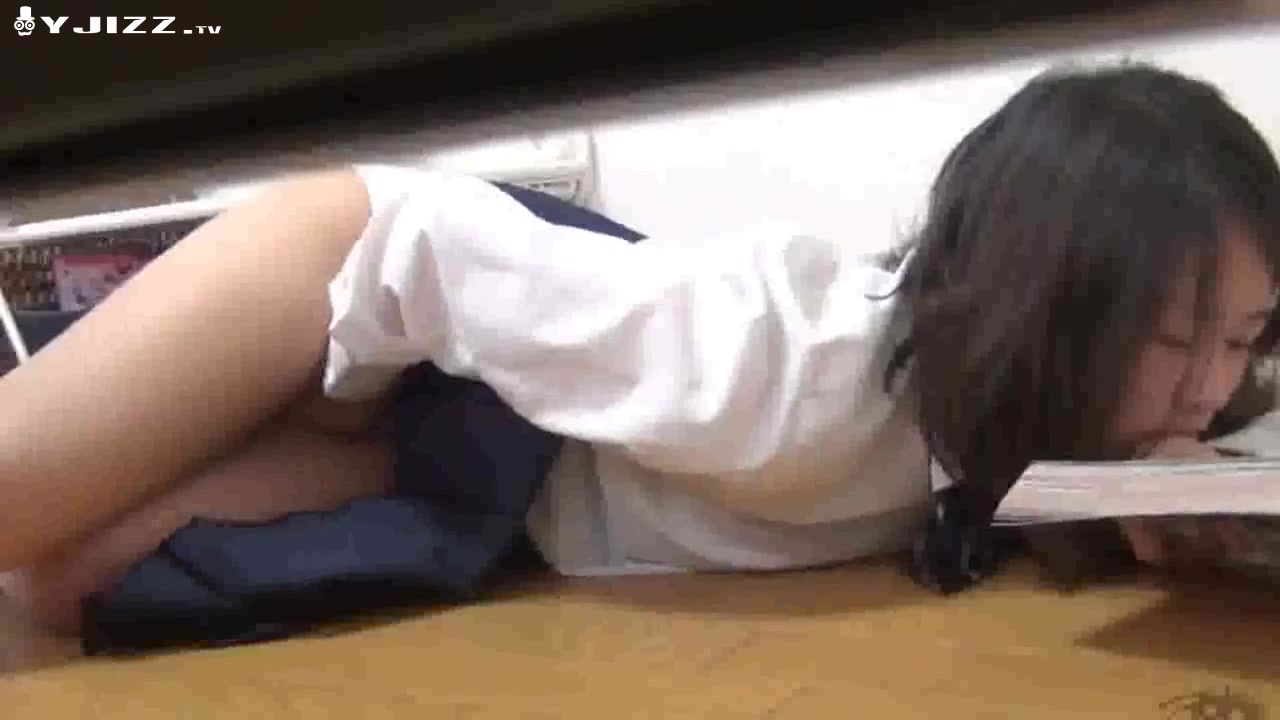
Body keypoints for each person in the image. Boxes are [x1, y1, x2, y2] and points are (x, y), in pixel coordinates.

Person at [1, 60, 1278, 639]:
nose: (1211, 385)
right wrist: (336, 403)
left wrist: (1157, 498)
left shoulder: (1052, 431)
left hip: (489, 455)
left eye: (1241, 338)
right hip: (363, 271)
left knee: (67, 589)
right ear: (1039, 307)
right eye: (1175, 339)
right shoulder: (782, 375)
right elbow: (422, 249)